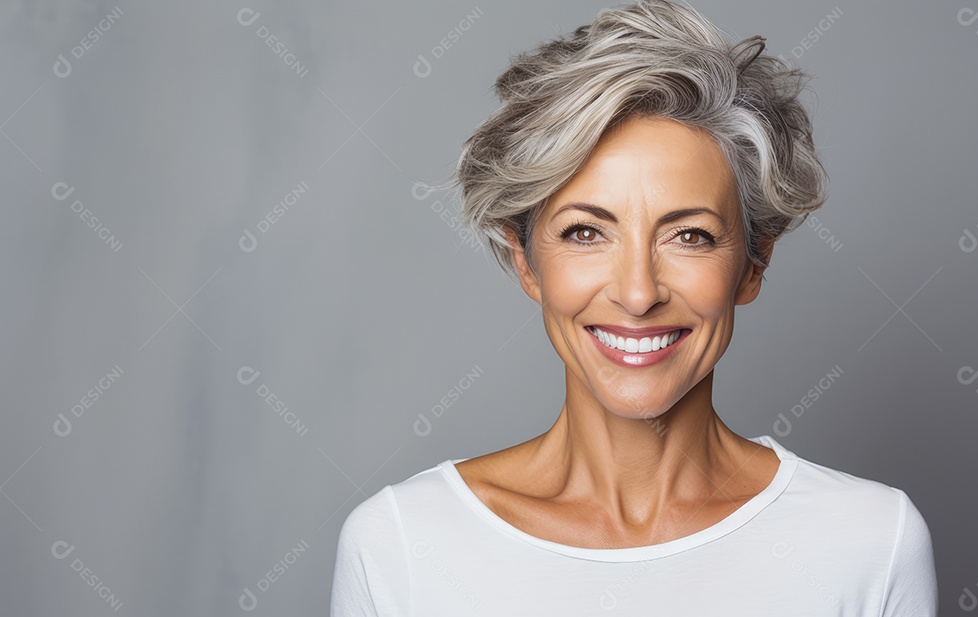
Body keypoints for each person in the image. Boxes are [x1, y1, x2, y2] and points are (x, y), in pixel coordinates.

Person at [330, 0, 938, 614]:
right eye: (586, 233)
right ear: (524, 260)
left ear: (753, 264)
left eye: (689, 235)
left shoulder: (870, 542)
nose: (639, 293)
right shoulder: (402, 545)